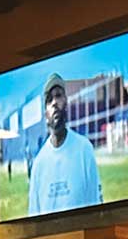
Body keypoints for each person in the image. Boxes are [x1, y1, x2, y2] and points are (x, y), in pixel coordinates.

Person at [27, 72, 103, 216]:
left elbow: (96, 206)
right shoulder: (38, 164)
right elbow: (34, 219)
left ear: (66, 103)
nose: (54, 103)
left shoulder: (84, 149)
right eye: (49, 100)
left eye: (58, 96)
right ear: (45, 114)